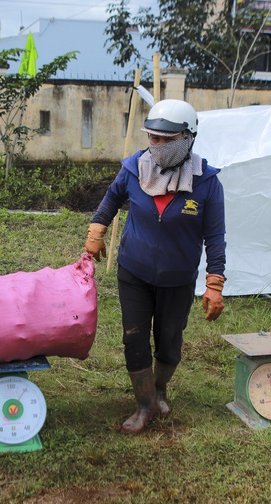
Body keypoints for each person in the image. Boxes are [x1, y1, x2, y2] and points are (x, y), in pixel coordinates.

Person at [84, 99, 226, 434]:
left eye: (166, 139)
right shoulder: (135, 167)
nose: (157, 145)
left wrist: (215, 282)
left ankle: (159, 388)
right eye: (152, 138)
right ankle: (145, 405)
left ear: (187, 138)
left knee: (170, 338)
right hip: (134, 270)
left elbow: (215, 236)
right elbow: (111, 198)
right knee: (134, 338)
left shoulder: (206, 183)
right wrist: (96, 231)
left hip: (178, 277)